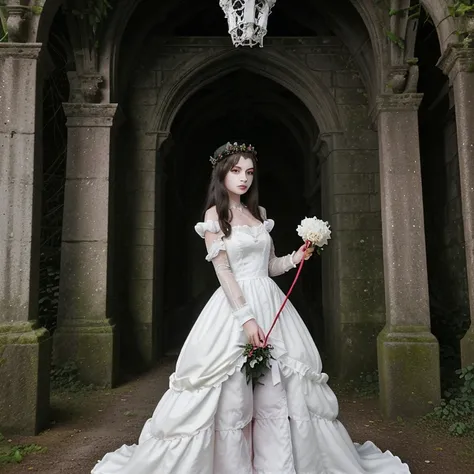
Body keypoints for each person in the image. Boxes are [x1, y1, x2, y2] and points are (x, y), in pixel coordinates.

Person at [92, 142, 411, 473]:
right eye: (235, 171)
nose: (243, 178)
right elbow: (223, 271)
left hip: (271, 302)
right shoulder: (214, 217)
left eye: (249, 172)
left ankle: (278, 464)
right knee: (232, 396)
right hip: (235, 306)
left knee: (279, 392)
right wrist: (246, 320)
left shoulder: (259, 214)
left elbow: (270, 266)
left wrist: (296, 257)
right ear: (222, 173)